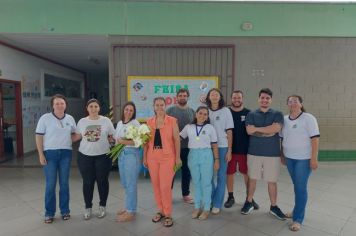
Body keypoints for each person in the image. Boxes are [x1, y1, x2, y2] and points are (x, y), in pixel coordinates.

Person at [241, 88, 286, 220]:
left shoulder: (278, 113)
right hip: (254, 152)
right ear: (258, 99)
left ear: (271, 100)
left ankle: (274, 206)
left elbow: (276, 128)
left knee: (272, 181)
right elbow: (249, 131)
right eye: (262, 98)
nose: (265, 100)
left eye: (267, 98)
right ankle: (248, 202)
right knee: (252, 179)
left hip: (272, 154)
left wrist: (257, 129)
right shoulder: (251, 114)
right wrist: (268, 131)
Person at [280, 95, 320, 231]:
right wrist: (282, 155)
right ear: (287, 104)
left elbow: (315, 139)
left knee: (300, 188)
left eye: (295, 101)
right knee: (297, 186)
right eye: (290, 102)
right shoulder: (284, 120)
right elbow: (281, 139)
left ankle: (298, 219)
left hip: (304, 159)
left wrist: (314, 158)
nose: (293, 104)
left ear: (301, 104)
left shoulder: (308, 118)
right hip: (289, 158)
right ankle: (296, 210)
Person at [35, 94, 76, 223]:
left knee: (64, 184)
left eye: (62, 103)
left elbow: (74, 135)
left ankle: (65, 211)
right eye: (57, 103)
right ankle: (49, 213)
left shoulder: (70, 118)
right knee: (51, 184)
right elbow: (39, 136)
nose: (59, 105)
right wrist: (41, 154)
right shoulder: (45, 118)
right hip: (49, 154)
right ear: (52, 105)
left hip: (65, 154)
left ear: (65, 105)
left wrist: (87, 135)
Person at [73, 99, 115, 220]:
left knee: (102, 182)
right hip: (85, 156)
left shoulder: (106, 121)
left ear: (99, 108)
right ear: (87, 108)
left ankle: (102, 206)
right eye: (91, 106)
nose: (93, 108)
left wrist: (118, 140)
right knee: (88, 183)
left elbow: (112, 136)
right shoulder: (82, 121)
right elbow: (77, 136)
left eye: (96, 106)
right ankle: (88, 207)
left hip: (103, 156)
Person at [143, 97, 181, 227]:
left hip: (167, 158)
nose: (159, 107)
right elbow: (146, 142)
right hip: (152, 157)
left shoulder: (172, 121)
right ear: (153, 107)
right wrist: (144, 157)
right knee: (156, 185)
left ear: (165, 106)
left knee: (165, 186)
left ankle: (168, 213)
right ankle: (161, 210)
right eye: (157, 105)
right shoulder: (149, 122)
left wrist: (177, 158)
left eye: (162, 105)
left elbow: (177, 140)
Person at [180, 106, 219, 220]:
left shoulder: (210, 128)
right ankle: (197, 207)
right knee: (196, 182)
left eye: (205, 114)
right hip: (193, 155)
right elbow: (179, 138)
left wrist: (217, 160)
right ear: (196, 114)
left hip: (206, 155)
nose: (202, 116)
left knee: (206, 183)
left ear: (207, 116)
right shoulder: (189, 127)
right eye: (200, 113)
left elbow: (215, 145)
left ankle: (206, 208)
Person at [224, 90, 259, 210]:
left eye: (239, 98)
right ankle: (230, 197)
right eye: (234, 98)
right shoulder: (226, 112)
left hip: (246, 150)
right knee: (229, 174)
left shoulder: (249, 113)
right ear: (231, 99)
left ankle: (249, 198)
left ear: (242, 98)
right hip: (230, 150)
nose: (236, 100)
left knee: (247, 174)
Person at [205, 88, 234, 215]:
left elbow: (229, 131)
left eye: (217, 94)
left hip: (222, 146)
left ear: (220, 97)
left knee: (221, 176)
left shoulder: (226, 111)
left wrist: (229, 150)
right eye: (212, 94)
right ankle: (211, 200)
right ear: (209, 97)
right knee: (208, 176)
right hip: (207, 147)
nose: (215, 96)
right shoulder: (204, 110)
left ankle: (217, 203)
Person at [166, 88, 195, 204]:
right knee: (170, 172)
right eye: (180, 95)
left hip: (187, 148)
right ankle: (167, 193)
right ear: (176, 97)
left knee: (186, 172)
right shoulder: (170, 110)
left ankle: (186, 194)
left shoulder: (192, 112)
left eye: (184, 95)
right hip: (172, 148)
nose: (182, 97)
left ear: (187, 97)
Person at [114, 101, 141, 222]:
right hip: (121, 155)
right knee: (125, 183)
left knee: (131, 184)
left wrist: (123, 142)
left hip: (131, 155)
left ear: (134, 112)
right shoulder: (119, 123)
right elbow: (116, 139)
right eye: (127, 109)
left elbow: (138, 142)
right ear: (123, 110)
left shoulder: (135, 123)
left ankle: (131, 211)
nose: (128, 112)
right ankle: (128, 207)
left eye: (131, 110)